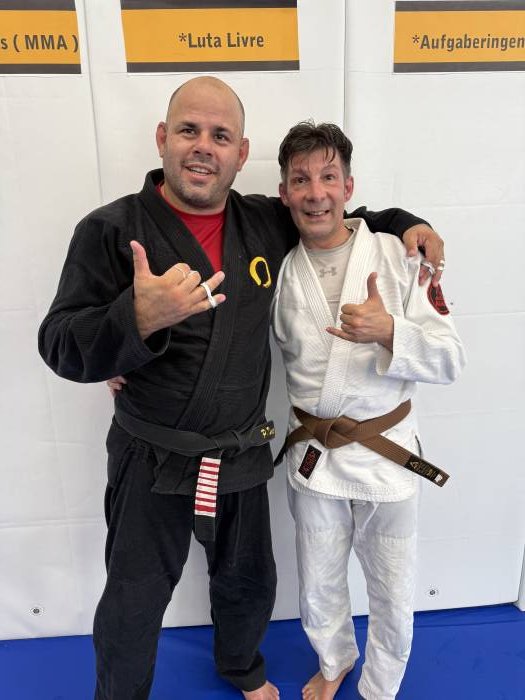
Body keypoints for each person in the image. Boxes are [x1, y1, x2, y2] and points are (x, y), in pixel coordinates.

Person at [38, 76, 446, 700]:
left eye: (221, 135)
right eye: (189, 130)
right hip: (151, 455)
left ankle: (242, 669)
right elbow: (60, 342)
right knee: (133, 599)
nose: (204, 146)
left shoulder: (263, 221)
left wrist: (410, 222)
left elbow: (340, 219)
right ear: (162, 138)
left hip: (240, 451)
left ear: (240, 151)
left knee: (249, 582)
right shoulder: (110, 229)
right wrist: (134, 321)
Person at [271, 121, 465, 700]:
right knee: (318, 580)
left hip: (388, 456)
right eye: (301, 180)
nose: (316, 193)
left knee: (393, 587)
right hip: (314, 453)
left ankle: (381, 685)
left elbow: (450, 358)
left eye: (328, 177)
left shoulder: (399, 254)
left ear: (349, 187)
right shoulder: (277, 268)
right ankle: (334, 660)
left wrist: (391, 332)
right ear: (284, 193)